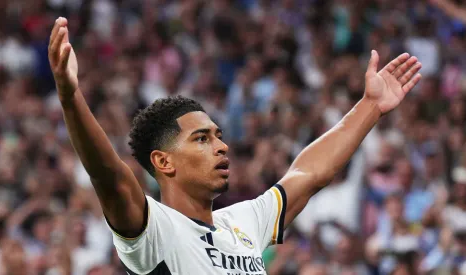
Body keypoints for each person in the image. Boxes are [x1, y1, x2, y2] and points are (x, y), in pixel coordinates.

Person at [48, 17, 422, 274]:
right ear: (163, 161)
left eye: (219, 135)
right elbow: (109, 177)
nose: (222, 147)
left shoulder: (243, 222)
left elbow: (308, 173)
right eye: (201, 139)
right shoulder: (154, 229)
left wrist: (369, 107)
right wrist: (71, 97)